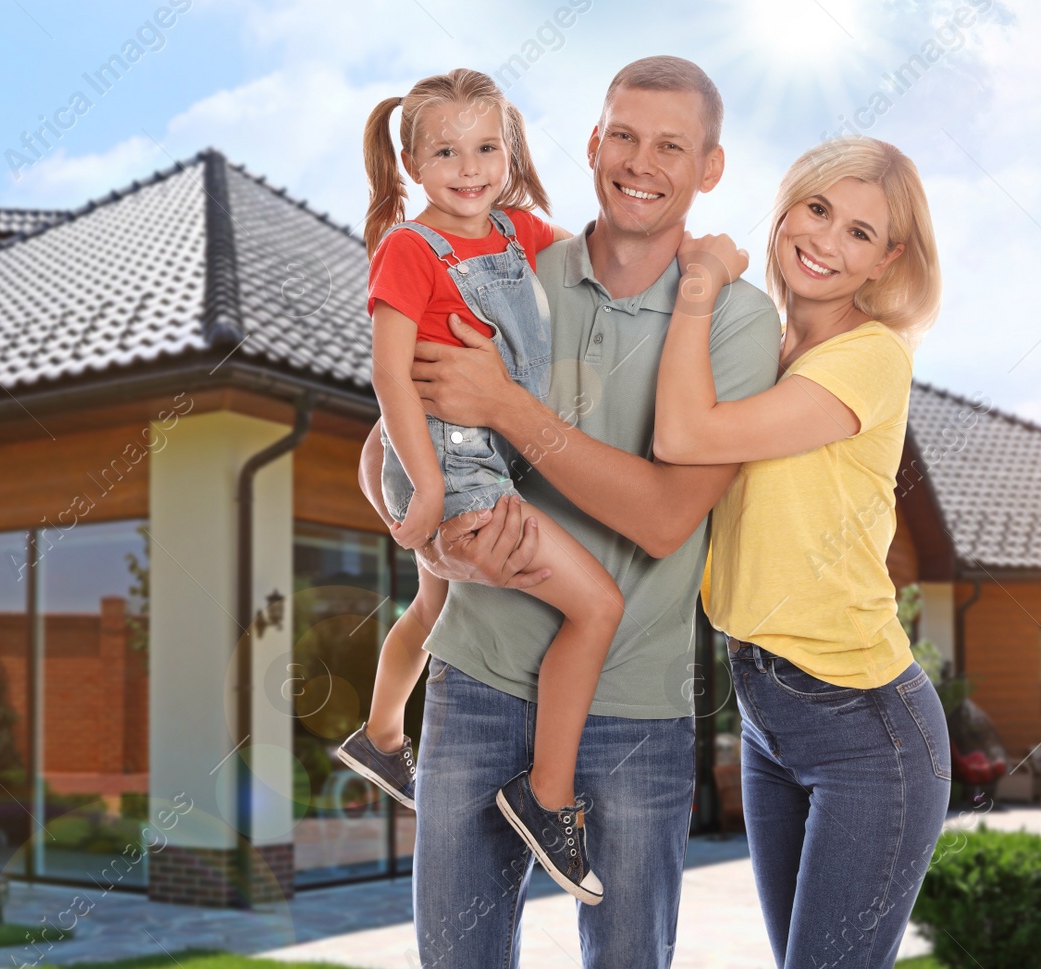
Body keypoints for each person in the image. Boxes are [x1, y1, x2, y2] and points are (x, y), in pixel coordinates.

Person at [358, 56, 779, 969]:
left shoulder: (739, 322)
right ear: (592, 145)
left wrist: (509, 408)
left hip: (636, 707)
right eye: (622, 135)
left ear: (709, 168)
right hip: (476, 681)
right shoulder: (508, 265)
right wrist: (435, 543)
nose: (641, 161)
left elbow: (668, 519)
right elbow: (386, 435)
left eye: (673, 145)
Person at [652, 135, 948, 969]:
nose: (825, 239)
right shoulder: (765, 350)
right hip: (764, 710)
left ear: (887, 259)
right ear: (786, 208)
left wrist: (698, 290)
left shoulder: (871, 357)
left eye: (860, 232)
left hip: (865, 726)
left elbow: (683, 433)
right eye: (818, 209)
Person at [342, 67, 620, 904]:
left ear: (510, 149)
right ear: (412, 164)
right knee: (598, 605)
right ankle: (547, 797)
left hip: (490, 451)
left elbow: (600, 263)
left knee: (431, 610)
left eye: (487, 147)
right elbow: (392, 378)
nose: (469, 168)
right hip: (447, 458)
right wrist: (424, 489)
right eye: (447, 152)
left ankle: (382, 733)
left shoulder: (517, 234)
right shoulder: (407, 248)